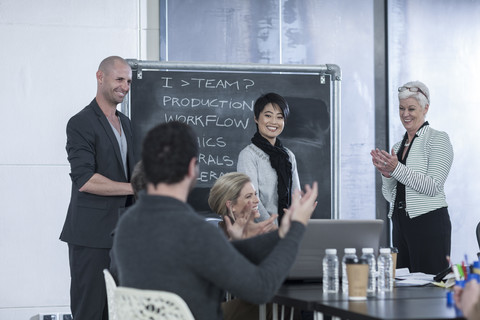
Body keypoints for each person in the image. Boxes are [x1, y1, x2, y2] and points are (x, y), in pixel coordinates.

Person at [111, 121, 318, 320]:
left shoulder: (127, 224)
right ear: (192, 168)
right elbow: (261, 289)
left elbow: (217, 254)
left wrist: (280, 235)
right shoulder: (194, 231)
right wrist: (296, 229)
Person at [59, 56, 136, 320]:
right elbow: (86, 180)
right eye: (119, 79)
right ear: (100, 77)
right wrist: (134, 187)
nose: (125, 86)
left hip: (124, 238)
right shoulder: (80, 123)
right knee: (89, 312)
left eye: (128, 81)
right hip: (91, 237)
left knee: (119, 313)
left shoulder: (126, 123)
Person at [370, 80, 453, 274]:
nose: (405, 114)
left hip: (429, 224)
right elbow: (391, 197)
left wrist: (396, 168)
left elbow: (433, 186)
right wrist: (387, 175)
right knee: (403, 288)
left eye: (411, 109)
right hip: (400, 224)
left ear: (425, 108)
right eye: (401, 108)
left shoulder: (438, 139)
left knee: (429, 289)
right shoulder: (398, 147)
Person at [237, 92, 300, 223]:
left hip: (287, 229)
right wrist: (272, 228)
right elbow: (251, 201)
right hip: (261, 230)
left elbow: (296, 196)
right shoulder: (248, 155)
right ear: (256, 118)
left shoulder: (288, 156)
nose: (273, 122)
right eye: (268, 115)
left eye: (279, 117)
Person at [208, 172, 278, 240]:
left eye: (255, 194)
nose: (257, 200)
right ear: (231, 205)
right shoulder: (222, 238)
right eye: (248, 196)